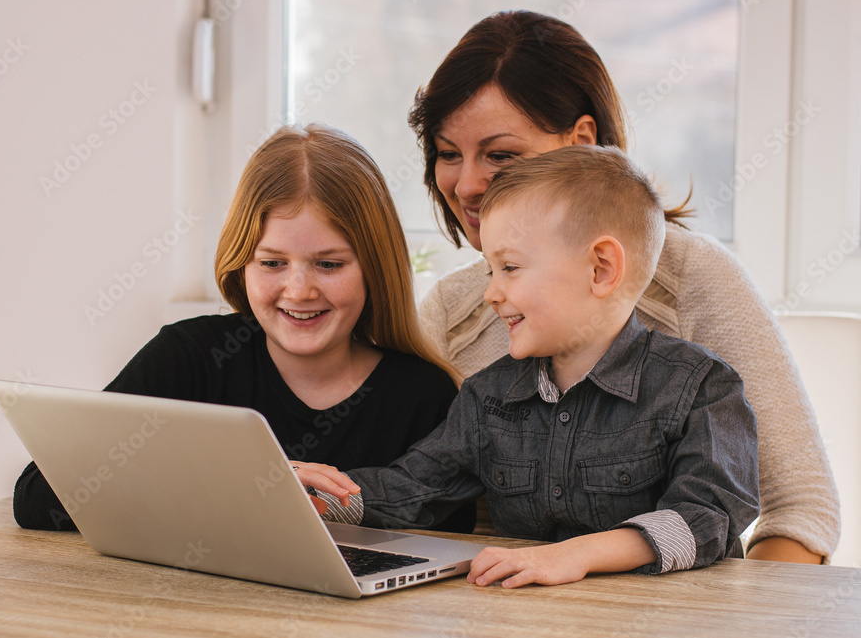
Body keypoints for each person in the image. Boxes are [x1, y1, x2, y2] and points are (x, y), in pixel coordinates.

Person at [409, 10, 837, 564]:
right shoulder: (450, 310)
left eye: (500, 155)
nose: (466, 184)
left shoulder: (693, 278)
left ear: (581, 140)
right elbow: (420, 490)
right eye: (448, 154)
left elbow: (801, 508)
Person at [298, 145, 759, 588]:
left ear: (601, 268)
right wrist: (312, 496)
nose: (491, 293)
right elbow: (413, 490)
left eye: (511, 268)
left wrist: (575, 555)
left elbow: (708, 516)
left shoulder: (700, 386)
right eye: (490, 271)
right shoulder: (487, 396)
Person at [12, 124, 474, 532]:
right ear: (242, 265)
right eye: (272, 262)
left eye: (329, 264)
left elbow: (453, 532)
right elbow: (37, 497)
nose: (299, 290)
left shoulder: (422, 396)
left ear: (375, 267)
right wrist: (244, 484)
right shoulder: (190, 357)